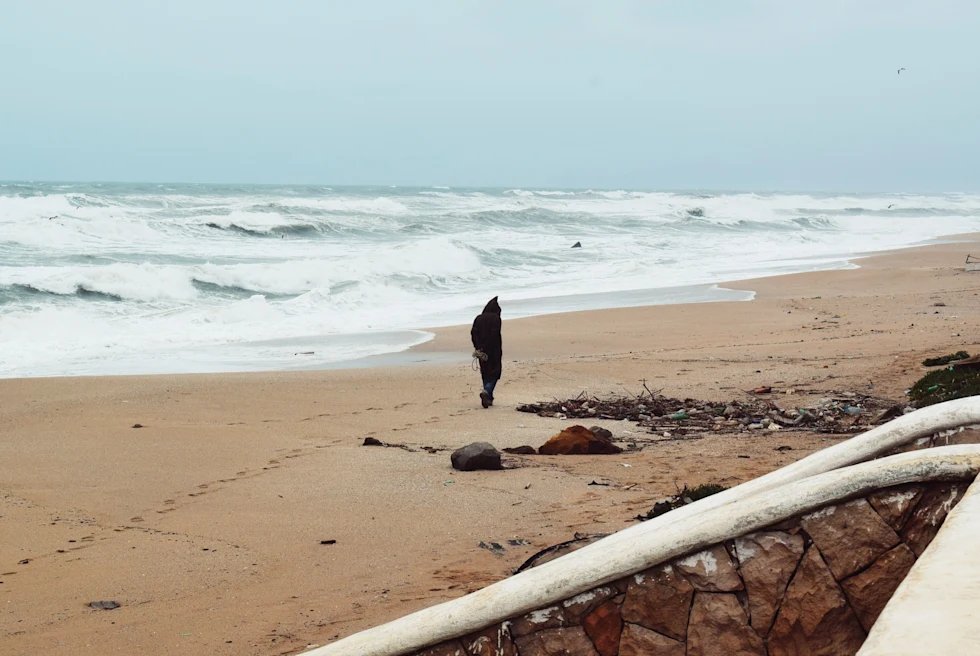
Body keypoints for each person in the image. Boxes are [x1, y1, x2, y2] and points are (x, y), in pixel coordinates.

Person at [470, 296, 502, 409]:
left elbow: (473, 333)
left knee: (485, 372)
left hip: (480, 351)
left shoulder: (478, 318)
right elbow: (494, 335)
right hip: (494, 350)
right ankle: (486, 391)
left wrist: (478, 347)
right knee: (495, 372)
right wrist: (485, 347)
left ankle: (489, 398)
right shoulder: (496, 319)